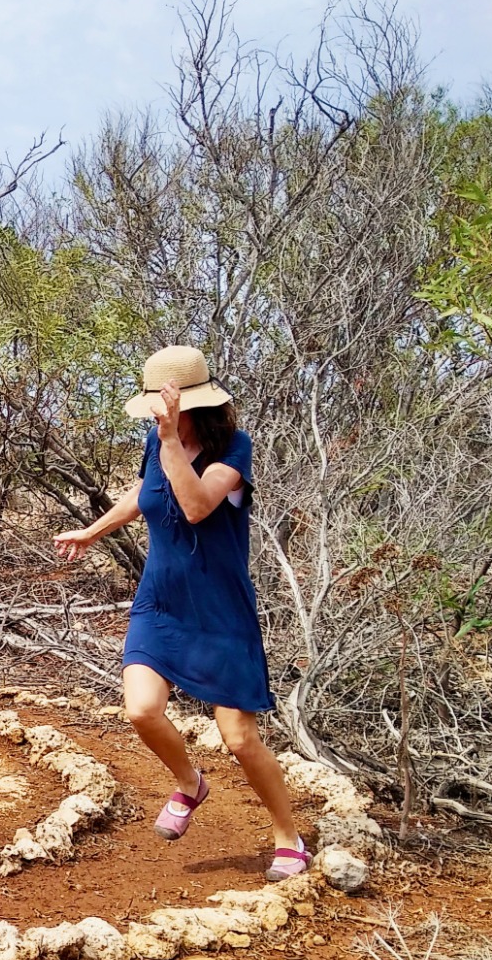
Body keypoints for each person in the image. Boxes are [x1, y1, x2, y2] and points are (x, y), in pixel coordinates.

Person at [52, 345, 307, 881]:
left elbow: (195, 506)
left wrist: (169, 440)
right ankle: (191, 784)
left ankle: (290, 837)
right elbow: (145, 493)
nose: (155, 412)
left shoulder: (233, 451)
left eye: (164, 403)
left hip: (218, 612)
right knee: (142, 710)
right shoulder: (157, 441)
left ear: (193, 402)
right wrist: (92, 532)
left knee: (239, 740)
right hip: (160, 602)